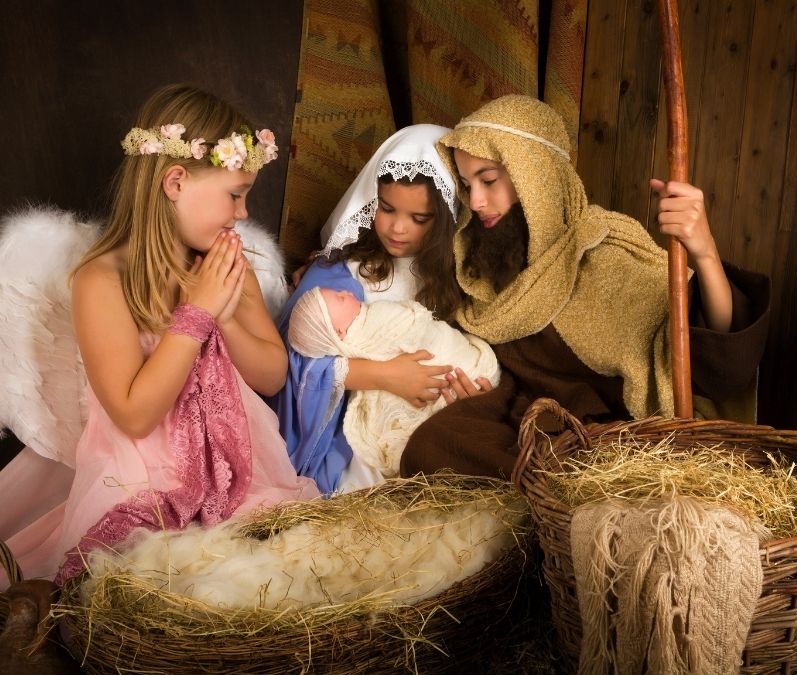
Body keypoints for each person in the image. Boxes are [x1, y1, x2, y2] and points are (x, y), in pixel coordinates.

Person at [1, 84, 319, 589]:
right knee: (161, 582)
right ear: (175, 182)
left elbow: (273, 375)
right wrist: (195, 313)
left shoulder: (229, 267)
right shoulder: (102, 280)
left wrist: (228, 316)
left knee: (275, 576)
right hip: (141, 480)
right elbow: (133, 413)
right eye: (235, 195)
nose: (242, 213)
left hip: (242, 470)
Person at [400, 94, 770, 480]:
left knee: (592, 467)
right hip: (542, 422)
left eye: (488, 180)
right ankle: (549, 487)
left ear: (536, 176)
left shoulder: (605, 254)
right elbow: (525, 377)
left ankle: (560, 489)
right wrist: (486, 390)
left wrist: (705, 251)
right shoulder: (489, 267)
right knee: (437, 443)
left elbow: (721, 364)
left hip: (622, 434)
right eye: (466, 183)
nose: (475, 201)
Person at [270, 124, 488, 494]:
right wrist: (383, 375)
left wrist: (471, 390)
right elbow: (289, 367)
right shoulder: (340, 271)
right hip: (344, 447)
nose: (397, 228)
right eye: (386, 208)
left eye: (420, 219)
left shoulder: (459, 283)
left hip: (421, 433)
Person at [287, 286, 500, 490]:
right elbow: (308, 367)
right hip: (423, 410)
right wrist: (384, 375)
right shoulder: (346, 310)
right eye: (340, 298)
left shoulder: (358, 310)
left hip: (464, 382)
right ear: (340, 333)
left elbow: (422, 330)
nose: (346, 293)